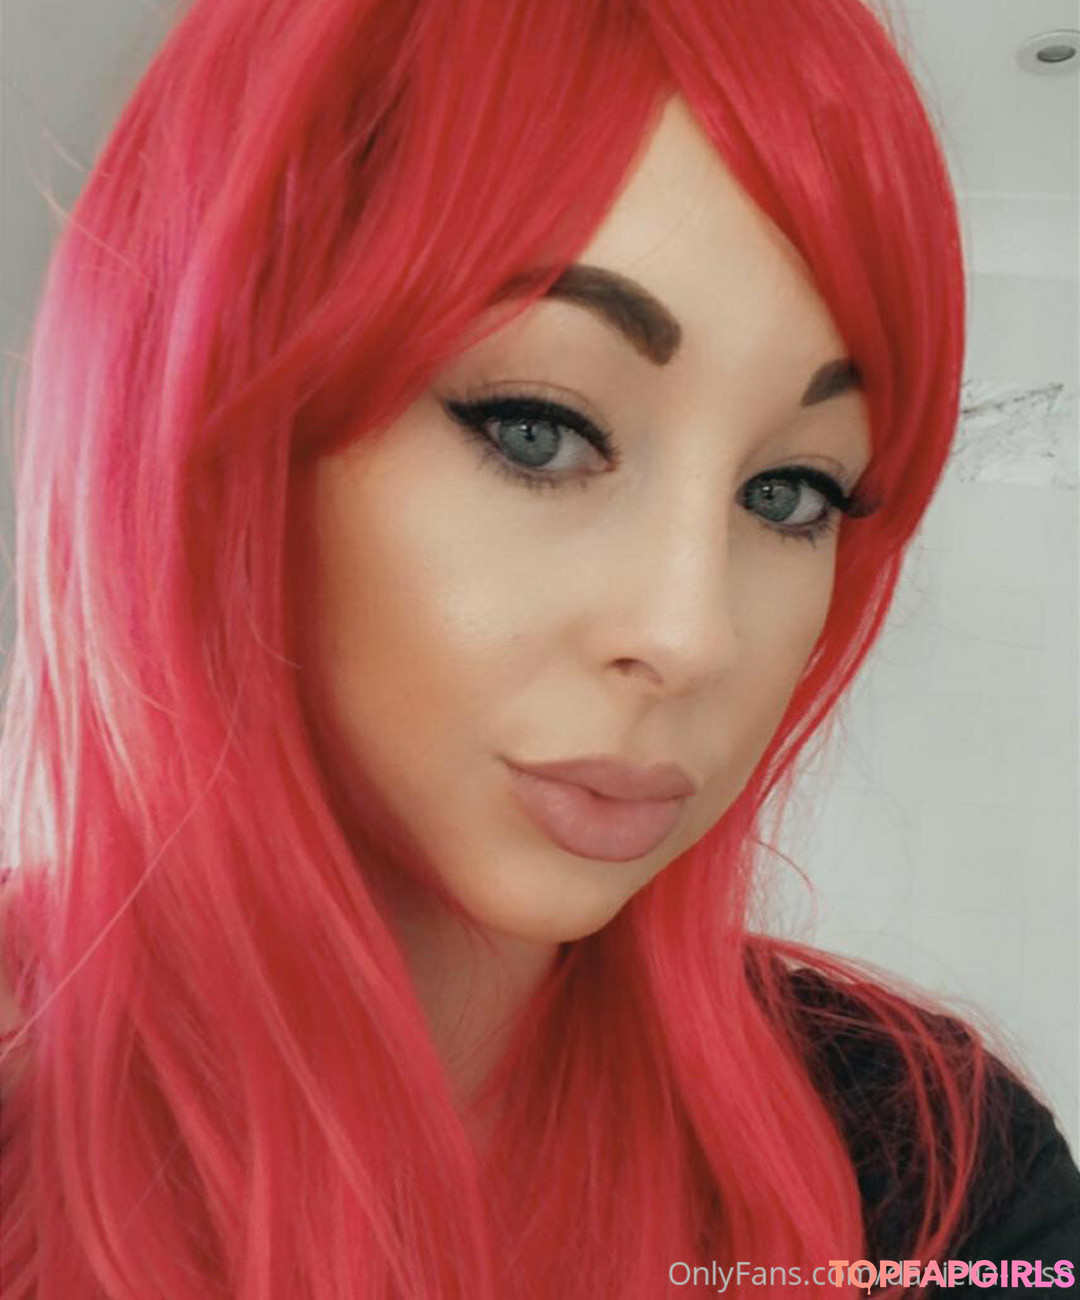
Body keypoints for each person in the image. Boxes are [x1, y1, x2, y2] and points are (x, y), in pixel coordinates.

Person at [0, 0, 1076, 1296]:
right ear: (217, 434)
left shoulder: (935, 1178)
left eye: (790, 492)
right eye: (537, 429)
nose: (692, 637)